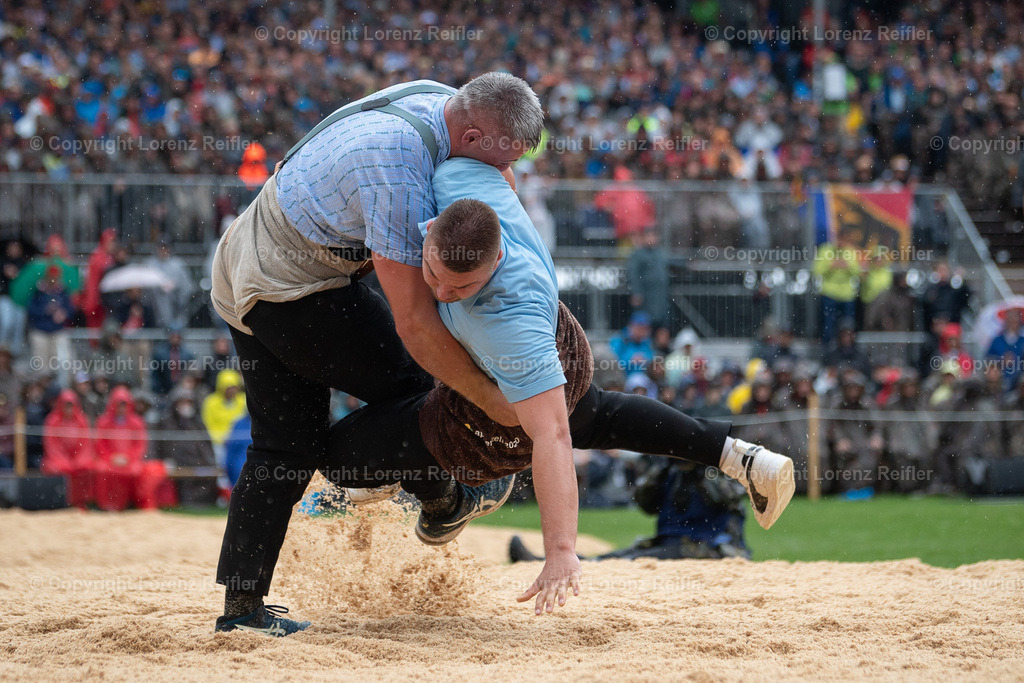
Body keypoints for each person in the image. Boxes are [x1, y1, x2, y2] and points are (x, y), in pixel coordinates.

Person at [326, 159, 794, 617]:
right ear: (432, 229)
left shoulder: (509, 322)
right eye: (434, 275)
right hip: (558, 344)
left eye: (461, 287)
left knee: (341, 458)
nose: (443, 293)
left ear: (496, 261)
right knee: (600, 416)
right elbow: (499, 168)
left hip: (504, 405)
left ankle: (458, 497)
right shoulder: (462, 183)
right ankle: (743, 458)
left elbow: (552, 435)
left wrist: (561, 551)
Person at [210, 73, 545, 638]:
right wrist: (489, 399)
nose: (504, 173)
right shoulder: (398, 171)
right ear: (471, 135)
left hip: (242, 261)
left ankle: (242, 609)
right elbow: (415, 324)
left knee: (283, 446)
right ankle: (443, 498)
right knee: (423, 381)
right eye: (503, 160)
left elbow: (495, 184)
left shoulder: (437, 98)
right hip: (293, 285)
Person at [509, 458, 749, 563]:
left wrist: (700, 471)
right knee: (617, 557)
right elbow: (644, 503)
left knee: (629, 561)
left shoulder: (715, 472)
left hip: (710, 548)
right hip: (671, 544)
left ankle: (556, 564)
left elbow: (730, 498)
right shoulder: (671, 472)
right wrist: (663, 469)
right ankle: (546, 562)